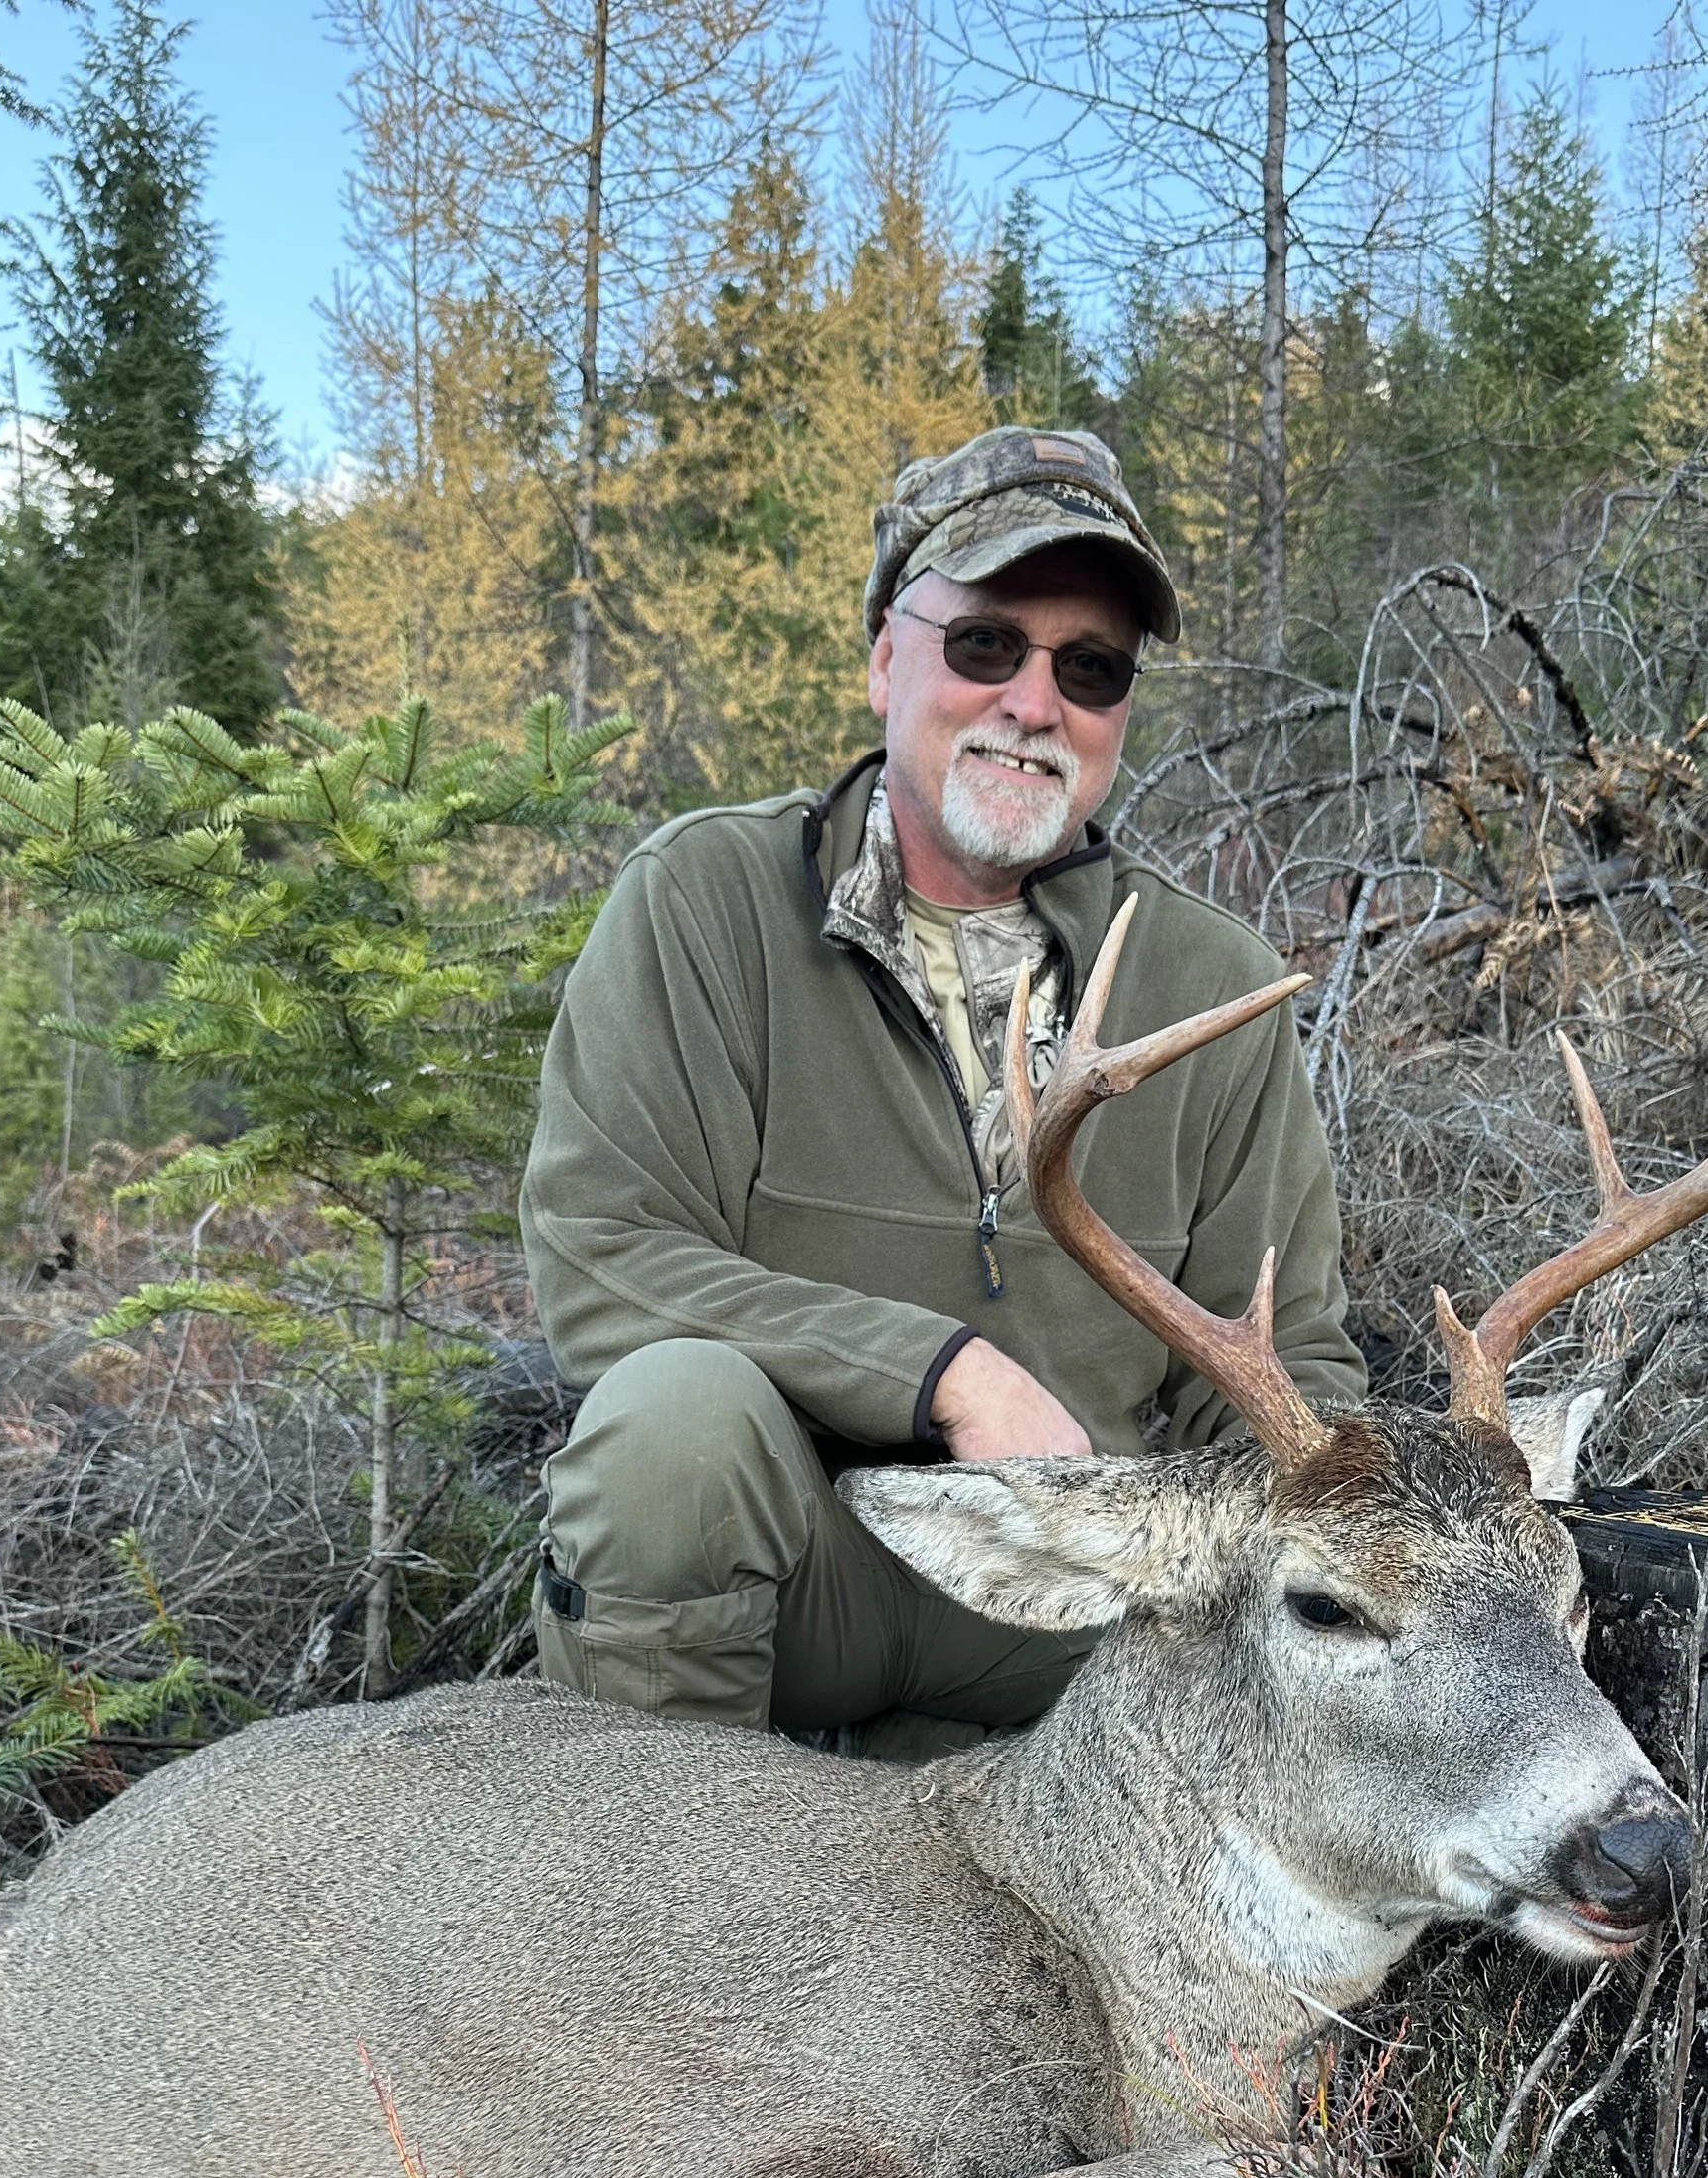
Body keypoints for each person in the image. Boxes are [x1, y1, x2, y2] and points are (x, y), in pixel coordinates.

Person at [520, 424, 1369, 1740]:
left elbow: (1280, 1355)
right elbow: (603, 1256)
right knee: (669, 1435)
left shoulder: (1214, 981)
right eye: (986, 646)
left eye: (1090, 670)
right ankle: (655, 1910)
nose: (1034, 704)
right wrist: (945, 1374)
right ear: (882, 658)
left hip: (1087, 1615)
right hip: (813, 1575)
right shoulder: (704, 905)